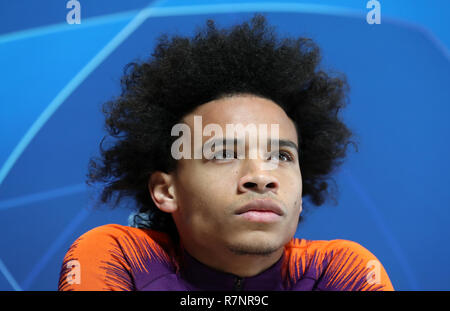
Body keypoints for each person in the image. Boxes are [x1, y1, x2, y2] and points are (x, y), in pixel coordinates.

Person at [58, 14, 394, 291]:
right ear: (165, 190)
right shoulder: (122, 257)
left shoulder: (340, 271)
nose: (262, 177)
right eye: (223, 154)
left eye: (282, 157)